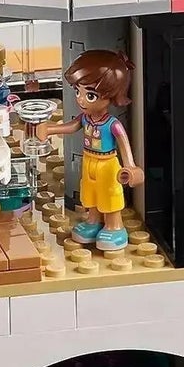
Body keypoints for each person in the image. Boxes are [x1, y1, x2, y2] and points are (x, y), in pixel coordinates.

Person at [42, 50, 143, 253]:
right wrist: (50, 129)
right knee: (90, 194)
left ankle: (115, 226)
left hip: (107, 165)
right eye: (77, 92)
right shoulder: (85, 118)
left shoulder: (112, 124)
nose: (81, 100)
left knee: (109, 195)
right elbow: (71, 126)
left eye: (90, 95)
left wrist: (130, 166)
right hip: (89, 161)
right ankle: (93, 221)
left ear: (112, 96)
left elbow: (124, 145)